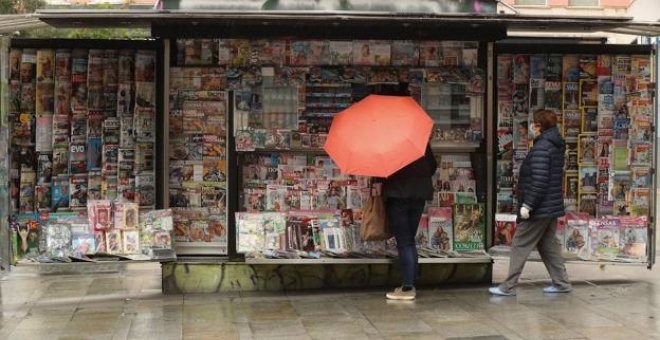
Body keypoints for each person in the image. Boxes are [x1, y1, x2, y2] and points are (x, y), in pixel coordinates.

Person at [489, 109, 572, 296]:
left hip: (540, 207)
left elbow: (540, 181)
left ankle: (508, 286)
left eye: (533, 124)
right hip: (550, 206)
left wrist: (528, 206)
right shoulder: (554, 144)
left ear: (539, 127)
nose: (531, 128)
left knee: (519, 243)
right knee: (547, 245)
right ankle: (562, 283)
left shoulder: (542, 147)